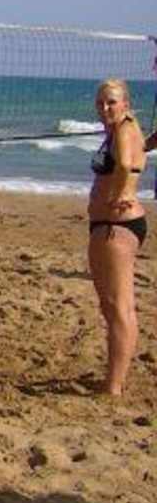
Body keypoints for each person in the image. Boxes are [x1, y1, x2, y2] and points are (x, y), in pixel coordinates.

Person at [87, 79, 147, 396]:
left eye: (111, 102)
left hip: (117, 226)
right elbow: (137, 153)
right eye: (100, 102)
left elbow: (124, 164)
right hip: (109, 224)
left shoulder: (124, 129)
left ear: (126, 103)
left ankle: (113, 386)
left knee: (119, 307)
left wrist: (122, 191)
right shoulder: (124, 129)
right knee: (112, 306)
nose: (105, 107)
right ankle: (114, 379)